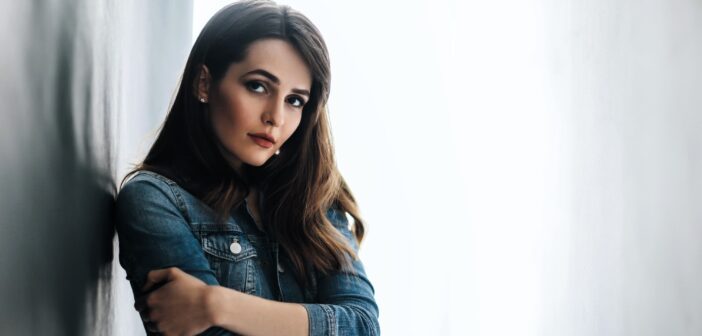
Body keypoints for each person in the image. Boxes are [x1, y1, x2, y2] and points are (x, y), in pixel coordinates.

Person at [114, 1, 380, 335]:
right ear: (204, 84)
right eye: (258, 86)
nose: (276, 117)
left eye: (294, 100)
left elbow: (364, 325)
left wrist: (218, 304)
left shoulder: (314, 198)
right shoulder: (154, 200)